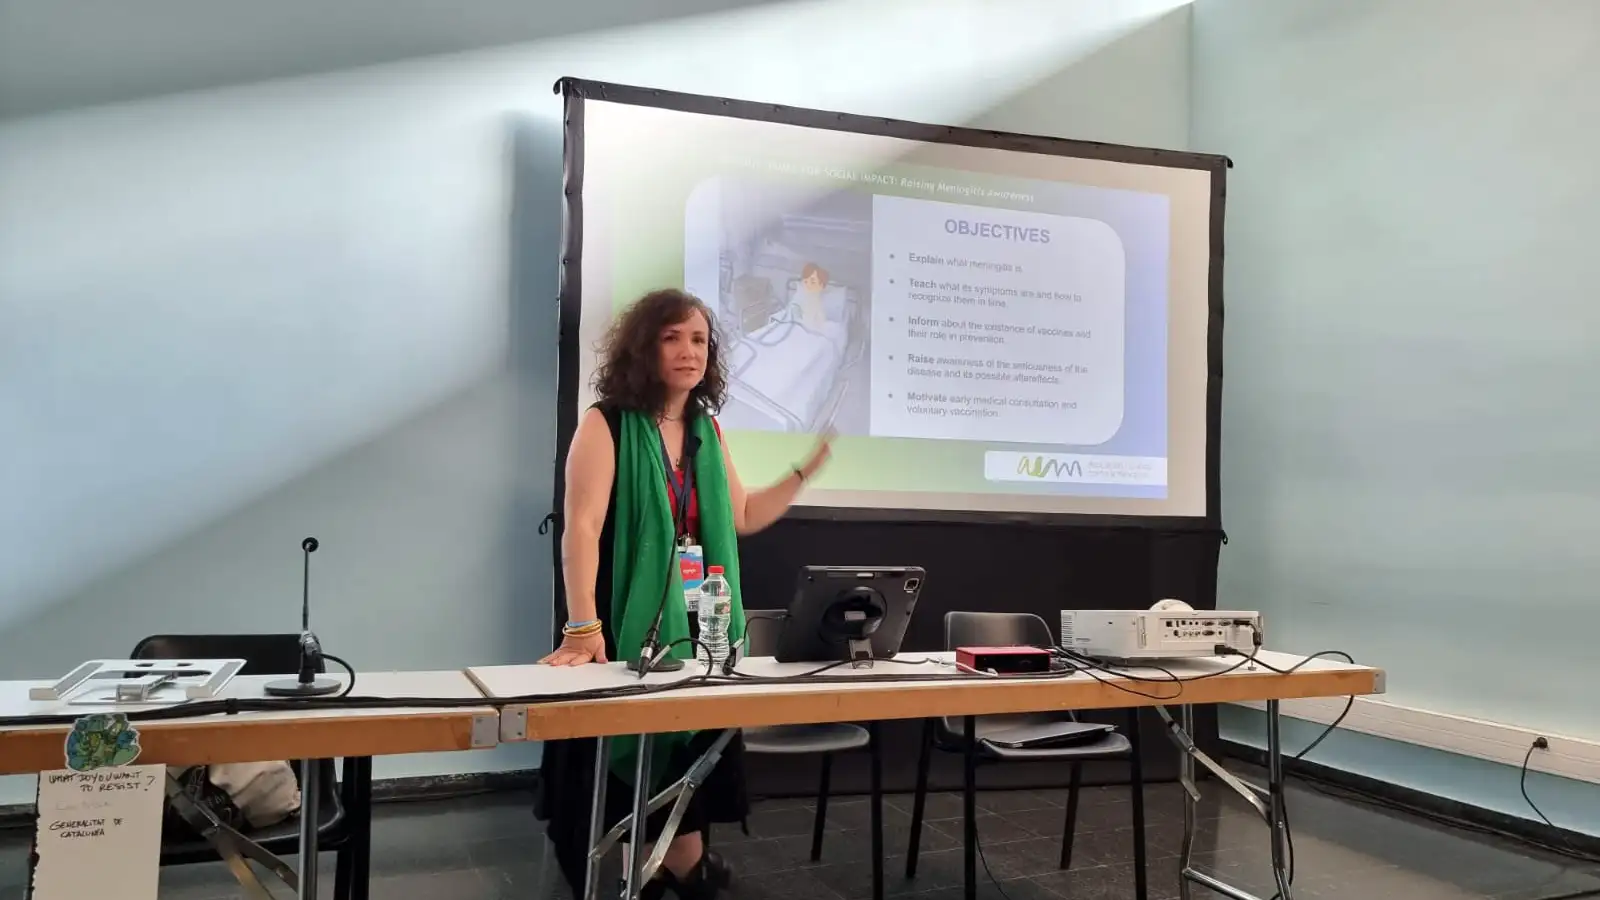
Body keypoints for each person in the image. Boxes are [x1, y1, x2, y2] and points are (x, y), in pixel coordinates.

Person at [536, 288, 833, 900]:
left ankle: (675, 871)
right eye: (672, 337)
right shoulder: (608, 422)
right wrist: (582, 627)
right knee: (622, 773)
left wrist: (805, 472)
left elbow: (744, 514)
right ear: (644, 347)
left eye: (698, 339)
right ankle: (657, 875)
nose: (688, 351)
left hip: (700, 627)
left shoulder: (705, 429)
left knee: (683, 771)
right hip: (617, 624)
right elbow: (583, 528)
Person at [796, 262, 830, 332]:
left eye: (813, 282)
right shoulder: (801, 301)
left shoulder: (818, 304)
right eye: (805, 282)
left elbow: (821, 323)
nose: (808, 285)